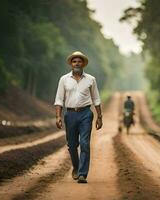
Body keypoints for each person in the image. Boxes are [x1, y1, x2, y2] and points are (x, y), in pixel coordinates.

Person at [54, 51, 103, 184]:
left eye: (79, 61)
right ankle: (76, 166)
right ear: (71, 64)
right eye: (74, 61)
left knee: (85, 143)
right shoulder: (64, 79)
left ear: (83, 64)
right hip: (70, 114)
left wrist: (99, 117)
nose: (77, 63)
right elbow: (59, 99)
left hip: (86, 114)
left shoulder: (91, 79)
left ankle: (82, 174)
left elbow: (96, 98)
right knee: (72, 145)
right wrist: (58, 116)